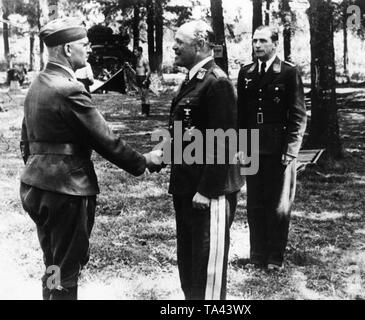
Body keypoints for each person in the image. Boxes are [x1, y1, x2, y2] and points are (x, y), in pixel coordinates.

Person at [19, 17, 162, 300]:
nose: (89, 51)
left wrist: (39, 171)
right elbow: (105, 139)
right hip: (66, 189)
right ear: (68, 49)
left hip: (38, 186)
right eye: (84, 45)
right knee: (66, 270)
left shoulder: (37, 85)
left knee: (53, 264)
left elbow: (26, 141)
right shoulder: (69, 88)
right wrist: (143, 161)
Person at [166, 20, 244, 300]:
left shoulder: (217, 82)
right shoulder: (193, 79)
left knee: (207, 270)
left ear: (199, 46)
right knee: (189, 265)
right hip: (188, 187)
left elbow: (225, 141)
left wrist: (206, 191)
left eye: (179, 42)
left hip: (209, 192)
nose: (173, 46)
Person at [237, 25, 307, 271]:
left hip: (279, 150)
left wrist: (291, 150)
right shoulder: (246, 73)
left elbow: (298, 115)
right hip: (252, 148)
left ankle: (275, 258)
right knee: (255, 203)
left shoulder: (288, 72)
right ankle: (256, 256)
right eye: (254, 41)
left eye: (263, 41)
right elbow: (241, 114)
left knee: (278, 206)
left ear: (275, 44)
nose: (257, 45)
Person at [133, 47, 151, 117]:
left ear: (140, 52)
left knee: (145, 96)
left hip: (143, 78)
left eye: (136, 52)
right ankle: (143, 112)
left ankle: (146, 113)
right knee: (141, 96)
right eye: (134, 52)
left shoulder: (144, 60)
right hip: (138, 78)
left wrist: (146, 79)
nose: (135, 53)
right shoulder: (137, 59)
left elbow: (149, 71)